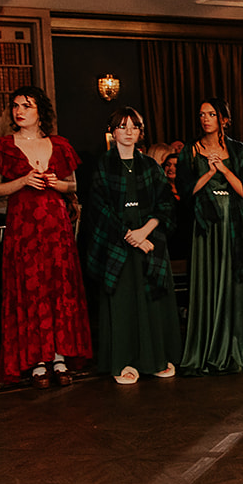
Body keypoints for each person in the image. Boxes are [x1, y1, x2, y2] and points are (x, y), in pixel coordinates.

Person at [0, 86, 91, 386]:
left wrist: (59, 184)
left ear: (40, 111)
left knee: (59, 289)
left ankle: (59, 357)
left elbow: (73, 187)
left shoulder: (59, 145)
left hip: (56, 229)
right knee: (30, 290)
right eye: (16, 106)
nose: (19, 111)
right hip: (23, 230)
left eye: (26, 106)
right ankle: (36, 361)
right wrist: (21, 180)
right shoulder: (3, 146)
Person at [84, 106, 181, 383]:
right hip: (117, 242)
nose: (128, 132)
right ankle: (124, 362)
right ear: (113, 131)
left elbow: (165, 204)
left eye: (134, 127)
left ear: (140, 132)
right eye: (122, 126)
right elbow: (99, 208)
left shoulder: (150, 166)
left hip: (150, 240)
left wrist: (145, 232)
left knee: (152, 299)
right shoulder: (103, 164)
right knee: (123, 302)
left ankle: (156, 359)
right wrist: (129, 234)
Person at [180, 98, 243, 372]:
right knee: (208, 281)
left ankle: (238, 348)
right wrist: (209, 173)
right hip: (207, 225)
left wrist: (224, 170)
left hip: (235, 223)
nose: (205, 119)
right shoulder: (191, 150)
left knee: (235, 284)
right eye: (202, 114)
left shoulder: (238, 150)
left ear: (223, 119)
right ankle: (207, 350)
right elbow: (184, 191)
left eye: (211, 114)